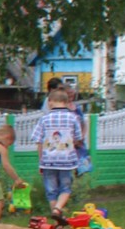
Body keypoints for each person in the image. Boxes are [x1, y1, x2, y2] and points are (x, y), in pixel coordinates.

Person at [30, 84, 85, 220]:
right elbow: (78, 138)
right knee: (65, 189)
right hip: (67, 161)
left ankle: (56, 220)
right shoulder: (73, 118)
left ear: (50, 102)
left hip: (48, 161)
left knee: (51, 191)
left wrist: (41, 161)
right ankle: (57, 209)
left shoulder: (44, 119)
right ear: (66, 102)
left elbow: (38, 141)